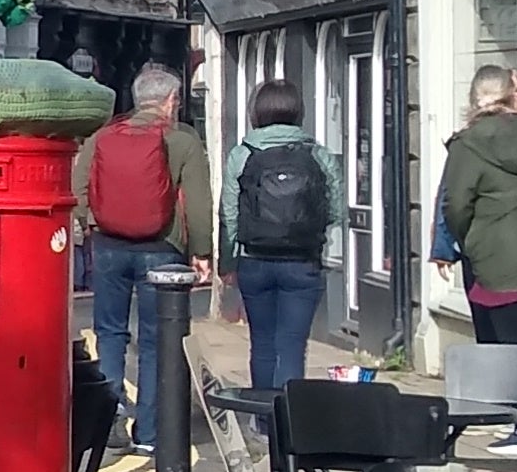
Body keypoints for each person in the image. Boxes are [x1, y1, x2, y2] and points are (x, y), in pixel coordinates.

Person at [70, 64, 214, 450]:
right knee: (156, 341)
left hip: (109, 247)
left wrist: (89, 228)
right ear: (171, 100)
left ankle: (108, 422)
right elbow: (198, 203)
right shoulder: (183, 140)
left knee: (110, 333)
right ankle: (149, 432)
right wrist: (202, 251)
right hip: (162, 250)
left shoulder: (102, 137)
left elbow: (78, 189)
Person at [226, 78, 346, 392]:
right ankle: (289, 423)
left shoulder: (243, 154)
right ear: (297, 111)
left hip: (254, 260)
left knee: (262, 344)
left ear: (257, 112)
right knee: (292, 346)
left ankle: (264, 419)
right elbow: (335, 210)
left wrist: (231, 258)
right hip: (303, 261)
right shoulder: (318, 154)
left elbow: (229, 213)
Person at [436, 66, 517, 349]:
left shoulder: (467, 143)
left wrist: (467, 241)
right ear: (510, 95)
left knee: (497, 355)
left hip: (491, 263)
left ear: (474, 99)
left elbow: (456, 206)